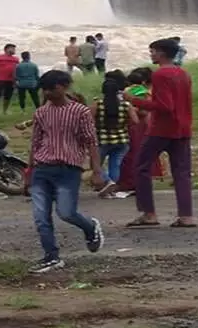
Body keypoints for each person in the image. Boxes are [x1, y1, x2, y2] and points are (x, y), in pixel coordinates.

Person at [27, 70, 105, 274]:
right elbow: (35, 143)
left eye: (50, 89)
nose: (47, 93)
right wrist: (29, 172)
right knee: (41, 216)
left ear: (62, 87)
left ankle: (90, 227)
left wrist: (97, 171)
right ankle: (51, 257)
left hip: (68, 169)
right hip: (42, 169)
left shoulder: (80, 112)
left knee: (66, 212)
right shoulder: (41, 112)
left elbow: (91, 142)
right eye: (44, 89)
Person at [126, 38, 195, 228]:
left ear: (162, 53)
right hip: (183, 128)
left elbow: (164, 106)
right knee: (182, 172)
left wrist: (134, 100)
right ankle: (186, 216)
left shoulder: (160, 75)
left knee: (141, 167)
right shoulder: (183, 73)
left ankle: (149, 213)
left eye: (153, 51)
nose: (151, 54)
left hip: (162, 129)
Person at [117, 67, 162, 195]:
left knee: (131, 154)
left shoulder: (126, 92)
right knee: (139, 153)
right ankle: (138, 182)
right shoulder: (146, 92)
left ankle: (129, 182)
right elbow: (146, 111)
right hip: (141, 126)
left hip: (131, 125)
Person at [93, 71, 134, 198]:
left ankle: (107, 183)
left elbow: (88, 121)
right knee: (115, 165)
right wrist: (124, 123)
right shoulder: (126, 105)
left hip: (103, 140)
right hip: (122, 140)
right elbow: (135, 120)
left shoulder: (97, 104)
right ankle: (111, 189)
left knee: (95, 164)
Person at [0, 44, 19, 114]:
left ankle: (5, 110)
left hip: (11, 80)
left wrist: (16, 80)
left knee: (8, 96)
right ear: (6, 49)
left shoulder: (16, 59)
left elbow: (18, 70)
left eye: (14, 49)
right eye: (12, 49)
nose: (14, 50)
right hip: (0, 79)